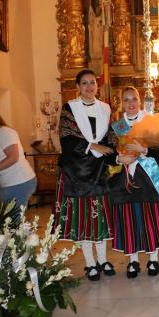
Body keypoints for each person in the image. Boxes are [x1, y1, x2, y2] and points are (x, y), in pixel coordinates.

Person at [109, 86, 159, 279]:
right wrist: (119, 159)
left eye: (134, 99)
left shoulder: (149, 122)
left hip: (148, 179)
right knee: (129, 219)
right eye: (126, 100)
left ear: (139, 101)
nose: (130, 104)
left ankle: (153, 259)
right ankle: (133, 262)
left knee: (149, 219)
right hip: (125, 178)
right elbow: (108, 152)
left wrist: (144, 150)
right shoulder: (117, 126)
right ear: (121, 103)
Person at [54, 69, 116, 281]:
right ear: (78, 87)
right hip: (77, 173)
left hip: (99, 172)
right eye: (85, 83)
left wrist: (113, 153)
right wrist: (93, 146)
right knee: (83, 222)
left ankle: (104, 259)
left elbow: (111, 138)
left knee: (100, 220)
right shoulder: (69, 108)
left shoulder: (105, 108)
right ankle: (90, 263)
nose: (89, 87)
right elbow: (67, 138)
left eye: (92, 83)